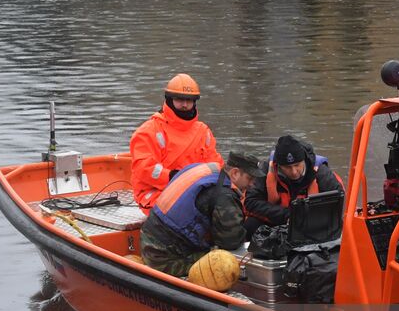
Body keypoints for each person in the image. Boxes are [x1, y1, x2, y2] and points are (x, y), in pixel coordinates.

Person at [140, 152, 258, 278]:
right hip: (165, 259)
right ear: (235, 173)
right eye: (249, 179)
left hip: (148, 240)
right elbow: (231, 242)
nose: (252, 184)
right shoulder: (225, 196)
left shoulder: (204, 170)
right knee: (223, 263)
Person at [130, 73, 222, 210]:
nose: (185, 105)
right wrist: (176, 178)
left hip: (195, 190)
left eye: (189, 100)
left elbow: (216, 165)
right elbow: (144, 169)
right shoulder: (149, 130)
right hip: (156, 194)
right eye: (180, 99)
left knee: (227, 199)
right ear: (169, 100)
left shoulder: (203, 131)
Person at [244, 135, 344, 239]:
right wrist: (287, 215)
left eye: (297, 165)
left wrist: (304, 219)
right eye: (287, 167)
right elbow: (251, 201)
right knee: (250, 226)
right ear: (278, 165)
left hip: (310, 225)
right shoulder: (266, 170)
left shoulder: (322, 174)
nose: (294, 172)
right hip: (278, 220)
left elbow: (336, 205)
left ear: (304, 160)